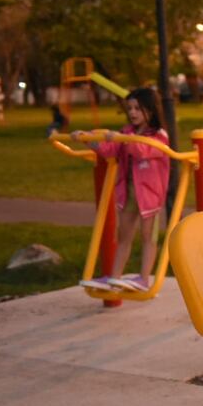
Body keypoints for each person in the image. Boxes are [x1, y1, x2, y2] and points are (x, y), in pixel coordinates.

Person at [73, 87, 170, 292]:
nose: (133, 112)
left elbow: (143, 150)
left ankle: (144, 278)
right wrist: (87, 139)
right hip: (128, 193)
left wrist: (121, 138)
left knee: (147, 236)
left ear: (150, 111)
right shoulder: (127, 132)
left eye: (137, 108)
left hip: (150, 197)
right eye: (130, 108)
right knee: (123, 236)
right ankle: (114, 278)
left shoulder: (159, 135)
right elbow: (110, 149)